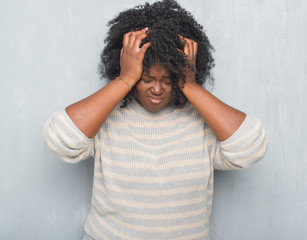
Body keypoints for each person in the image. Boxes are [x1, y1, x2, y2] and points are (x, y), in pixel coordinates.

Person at [44, 0, 268, 239]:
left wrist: (189, 86)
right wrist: (125, 78)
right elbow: (59, 140)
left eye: (169, 80)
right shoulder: (107, 117)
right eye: (146, 79)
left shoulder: (201, 121)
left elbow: (250, 148)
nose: (158, 90)